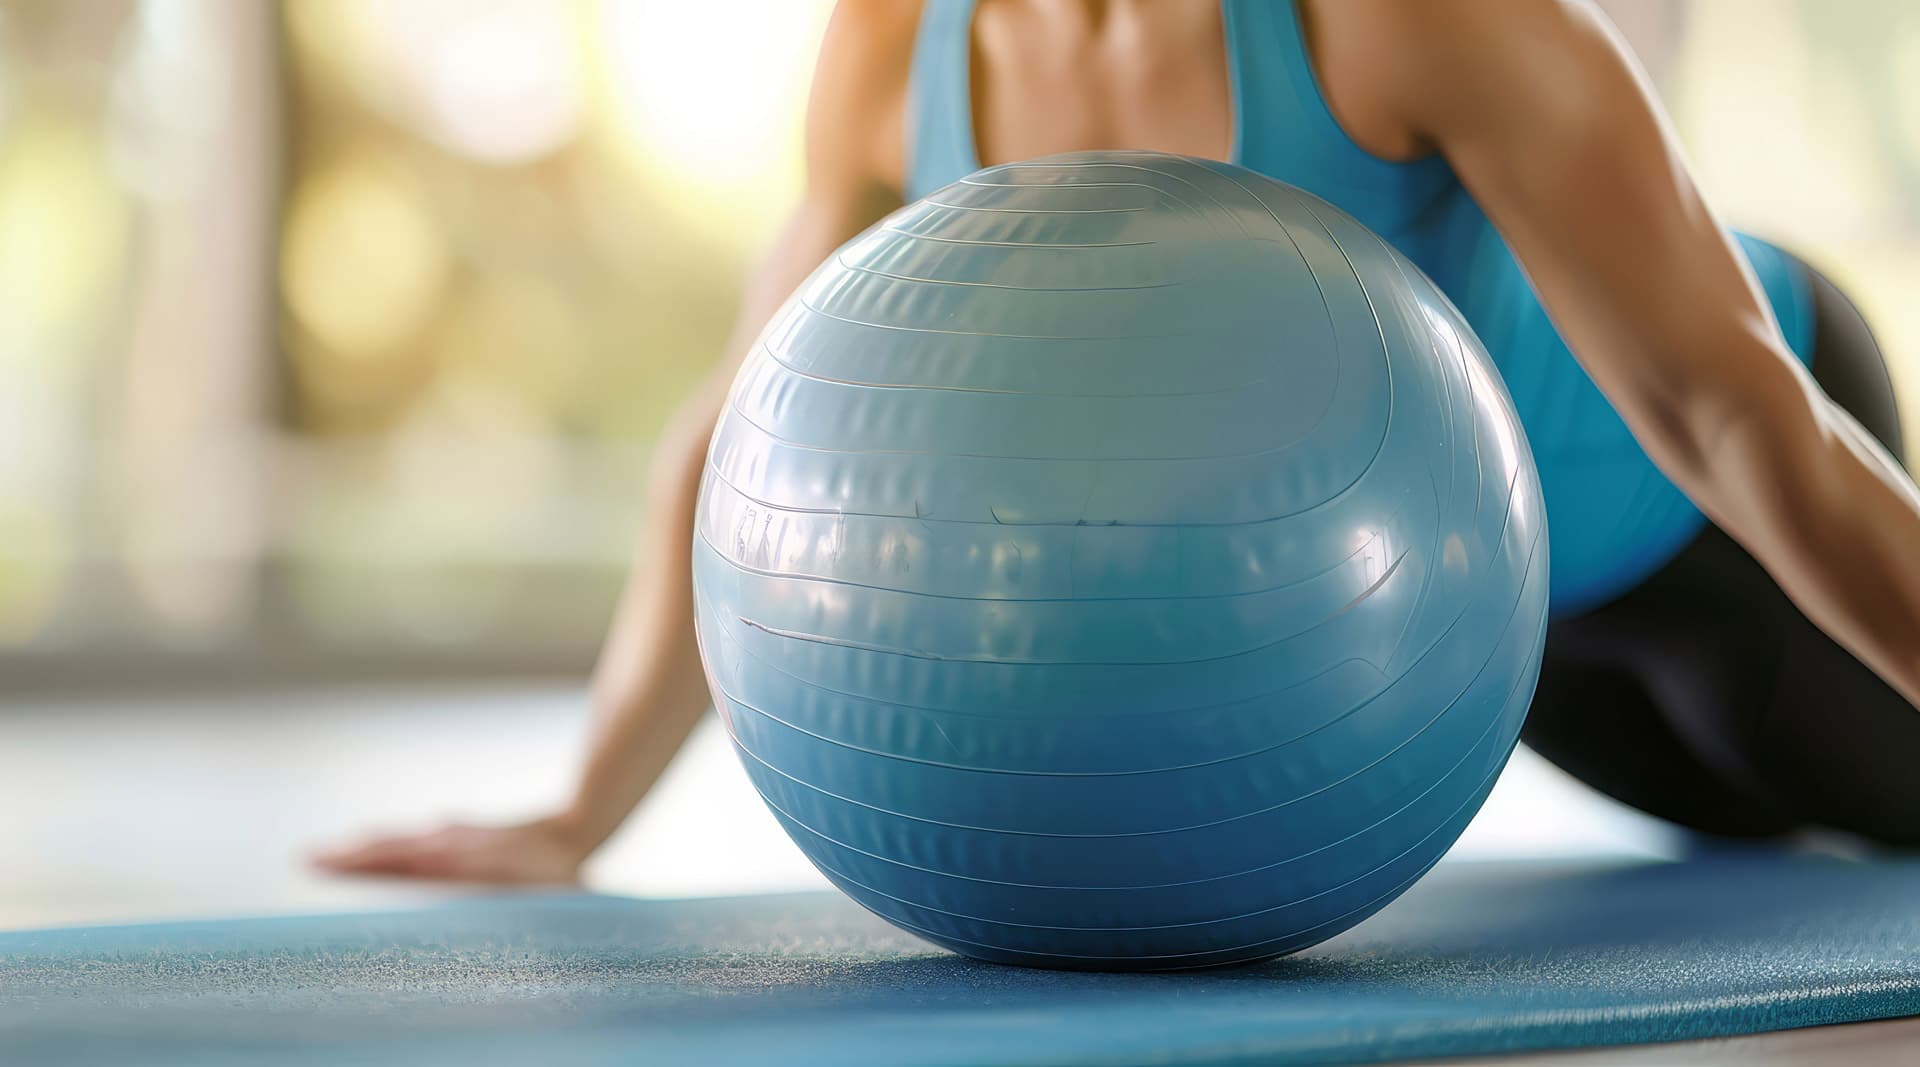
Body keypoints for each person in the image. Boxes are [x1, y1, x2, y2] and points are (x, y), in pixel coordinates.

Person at [313, 0, 1920, 884]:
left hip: (1715, 529)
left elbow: (1734, 407)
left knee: (1870, 830)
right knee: (1749, 854)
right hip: (1460, 648)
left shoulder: (1409, 21)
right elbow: (739, 436)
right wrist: (575, 817)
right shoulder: (894, 47)